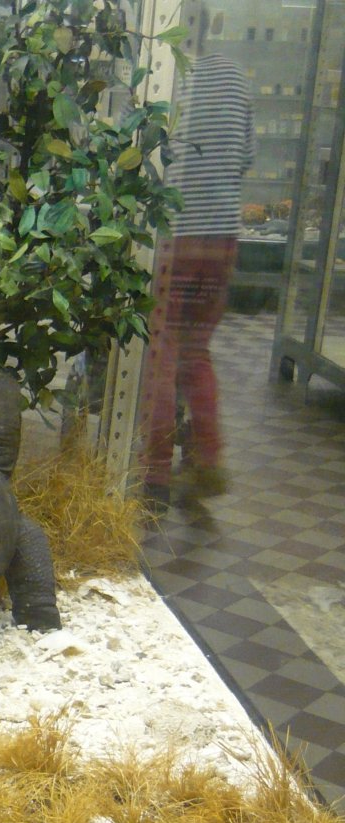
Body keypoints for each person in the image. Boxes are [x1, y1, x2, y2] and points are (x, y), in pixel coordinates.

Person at [139, 4, 253, 513]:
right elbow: (245, 156)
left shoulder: (166, 72)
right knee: (196, 353)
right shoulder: (236, 77)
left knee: (160, 355)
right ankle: (207, 458)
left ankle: (155, 475)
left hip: (178, 234)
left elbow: (139, 148)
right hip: (223, 236)